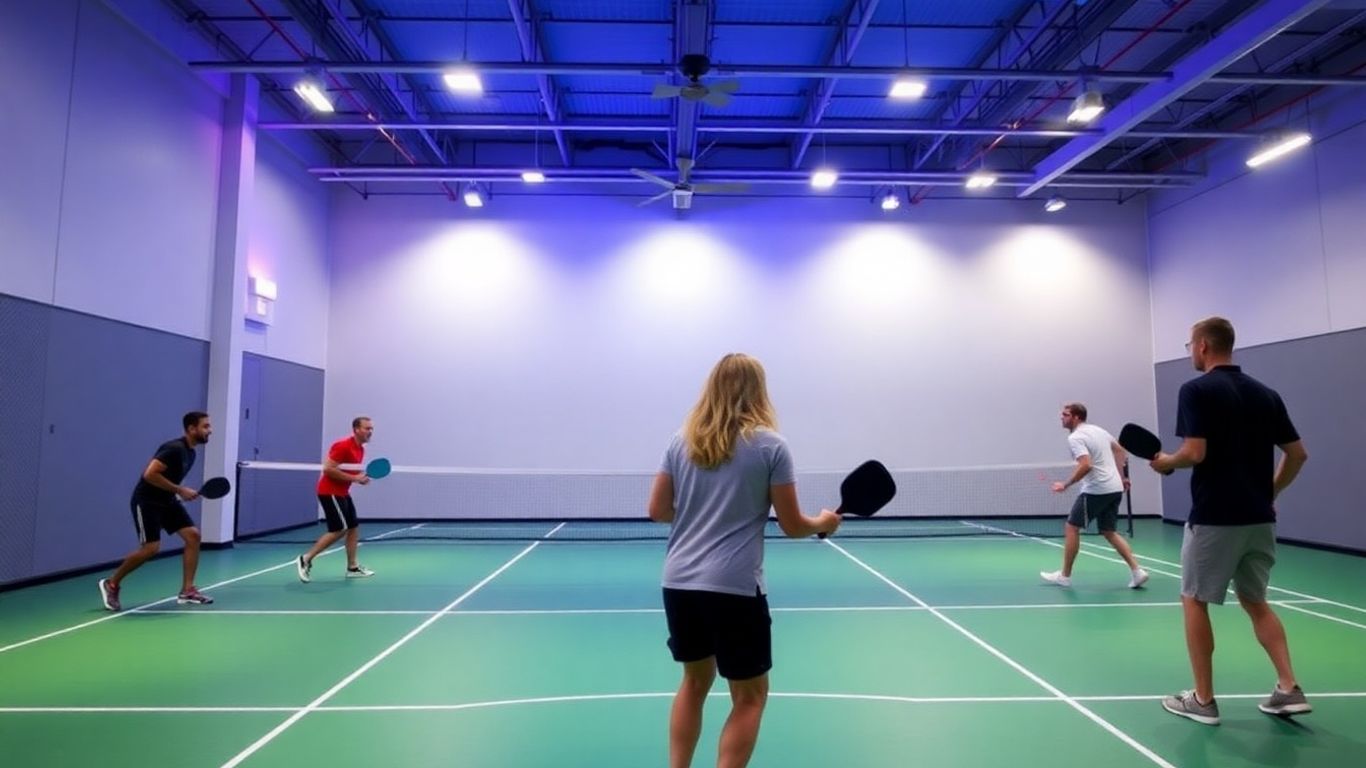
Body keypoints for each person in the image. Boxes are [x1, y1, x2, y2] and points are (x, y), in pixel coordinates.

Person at [647, 353, 840, 768]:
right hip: (733, 588)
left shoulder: (680, 441)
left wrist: (700, 513)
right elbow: (792, 524)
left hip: (678, 584)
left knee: (694, 682)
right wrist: (824, 521)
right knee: (750, 697)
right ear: (758, 390)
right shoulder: (771, 446)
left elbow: (658, 509)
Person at [1150, 317, 1311, 725]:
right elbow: (1297, 455)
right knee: (1256, 601)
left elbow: (1194, 452)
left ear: (1203, 346)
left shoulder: (1196, 389)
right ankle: (1289, 688)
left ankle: (1202, 700)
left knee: (1193, 599)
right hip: (1259, 519)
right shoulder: (1266, 394)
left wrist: (1167, 461)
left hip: (1215, 518)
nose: (1189, 350)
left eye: (1189, 344)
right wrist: (1270, 494)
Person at [98, 412, 216, 611]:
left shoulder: (191, 453)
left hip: (167, 501)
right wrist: (180, 490)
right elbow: (150, 474)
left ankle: (187, 591)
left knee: (193, 536)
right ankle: (111, 583)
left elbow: (170, 480)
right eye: (205, 426)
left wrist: (181, 493)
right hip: (147, 502)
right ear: (191, 429)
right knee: (151, 548)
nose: (210, 430)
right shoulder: (174, 448)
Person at [1040, 402, 1150, 589]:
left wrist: (1066, 484)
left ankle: (1065, 576)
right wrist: (1123, 477)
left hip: (1096, 489)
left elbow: (1086, 465)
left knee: (1071, 527)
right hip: (1114, 488)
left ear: (1076, 417)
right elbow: (1120, 450)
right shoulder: (1099, 430)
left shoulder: (1075, 438)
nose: (1062, 417)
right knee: (1109, 532)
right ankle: (1137, 571)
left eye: (1066, 414)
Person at [296, 417, 377, 582]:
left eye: (371, 429)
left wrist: (359, 477)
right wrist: (355, 479)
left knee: (353, 527)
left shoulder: (360, 449)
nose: (370, 432)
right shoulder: (343, 446)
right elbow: (328, 469)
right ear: (356, 429)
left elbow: (347, 472)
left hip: (342, 492)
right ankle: (306, 558)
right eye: (367, 428)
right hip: (329, 492)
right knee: (340, 529)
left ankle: (352, 567)